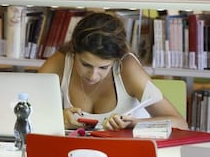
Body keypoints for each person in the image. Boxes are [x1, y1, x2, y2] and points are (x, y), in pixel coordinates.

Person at [38, 11, 188, 131]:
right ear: (74, 52)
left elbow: (180, 123)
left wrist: (135, 123)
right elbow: (23, 114)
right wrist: (58, 118)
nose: (93, 75)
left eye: (103, 67)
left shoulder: (127, 68)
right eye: (85, 64)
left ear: (116, 60)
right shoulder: (60, 62)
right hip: (71, 153)